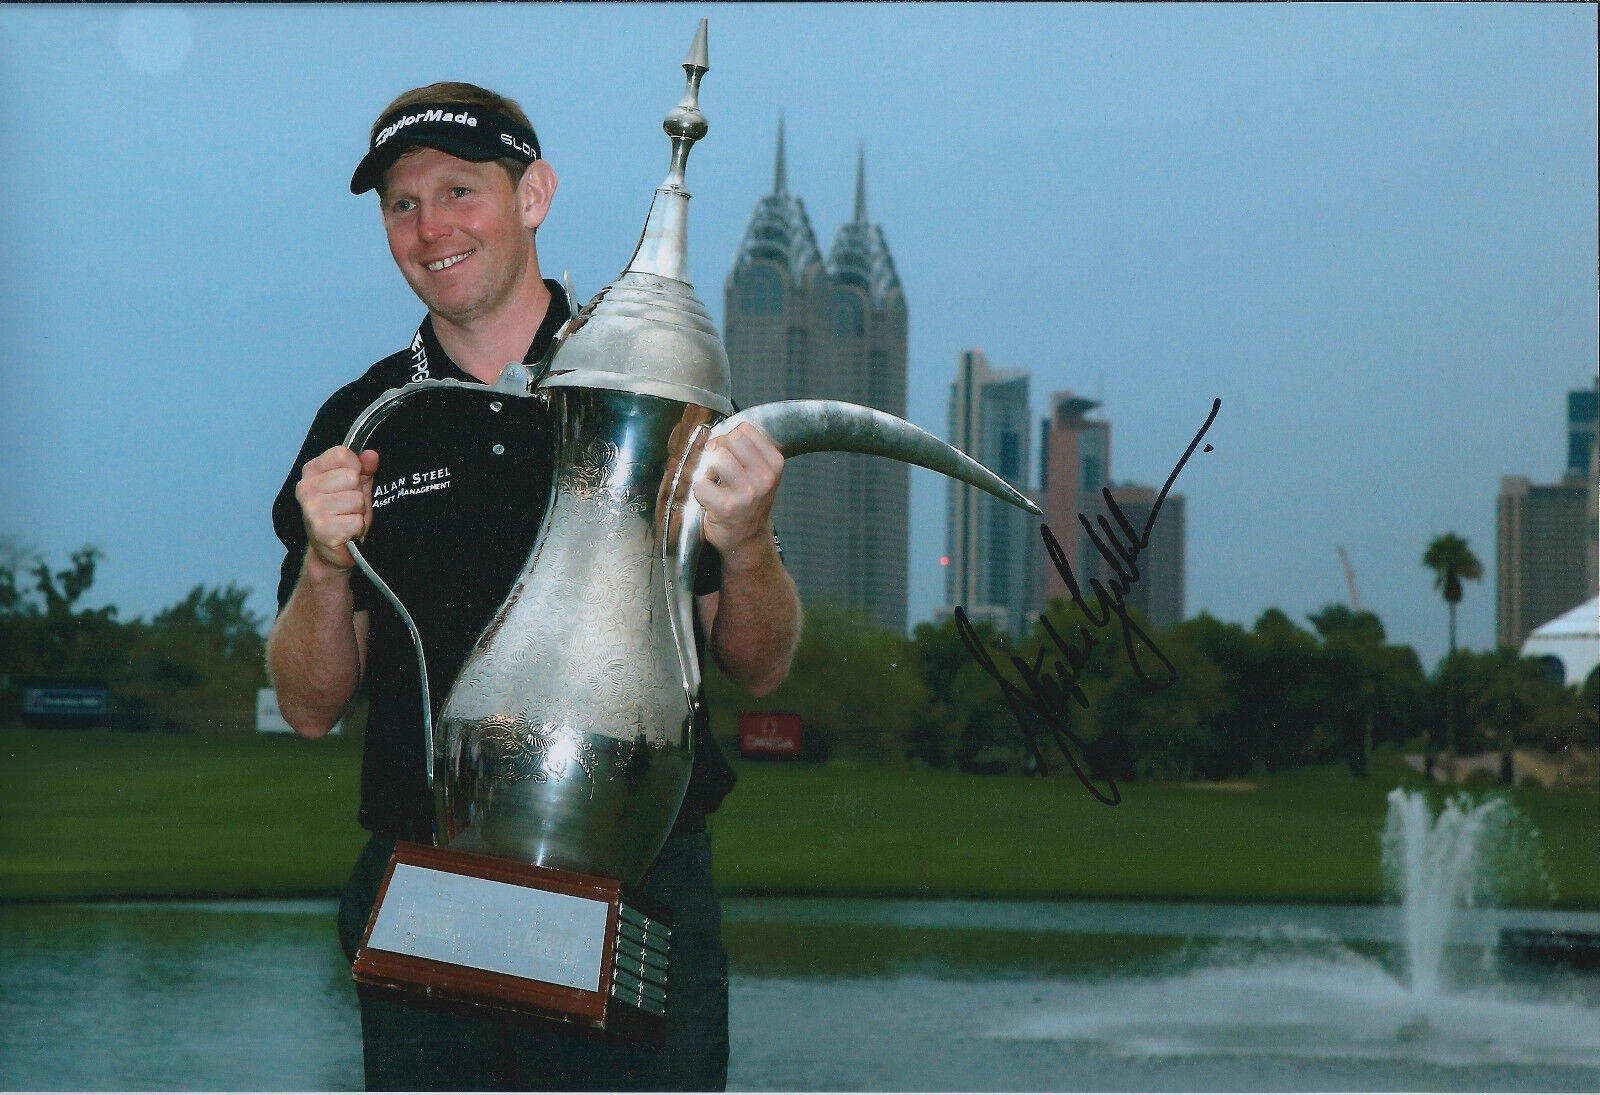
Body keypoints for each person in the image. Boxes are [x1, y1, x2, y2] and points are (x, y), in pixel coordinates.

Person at [266, 81, 802, 1091]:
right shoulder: (363, 421)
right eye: (401, 204)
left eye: (460, 191)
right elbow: (307, 705)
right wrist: (327, 565)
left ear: (534, 195)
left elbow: (761, 664)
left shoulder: (656, 386)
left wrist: (751, 541)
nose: (431, 229)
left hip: (636, 874)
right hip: (429, 879)